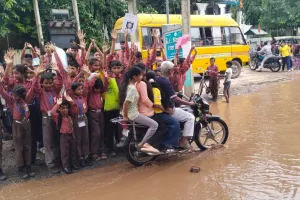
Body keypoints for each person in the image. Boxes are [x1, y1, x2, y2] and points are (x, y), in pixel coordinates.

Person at [0, 79, 37, 179]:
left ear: (21, 95)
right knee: (19, 147)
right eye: (13, 95)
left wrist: (37, 76)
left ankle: (28, 166)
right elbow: (3, 93)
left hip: (26, 123)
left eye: (16, 95)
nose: (13, 97)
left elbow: (32, 89)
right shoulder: (11, 102)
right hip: (17, 125)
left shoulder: (26, 100)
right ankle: (21, 168)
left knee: (27, 145)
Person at [119, 67, 159, 153]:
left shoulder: (129, 86)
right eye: (140, 75)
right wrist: (125, 116)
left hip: (131, 113)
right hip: (133, 114)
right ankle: (143, 144)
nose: (142, 77)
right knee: (154, 125)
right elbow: (126, 103)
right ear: (134, 76)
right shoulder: (132, 88)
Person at [156, 61, 195, 149]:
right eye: (173, 69)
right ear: (170, 71)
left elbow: (169, 93)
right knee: (190, 117)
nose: (174, 71)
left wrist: (176, 94)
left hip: (162, 108)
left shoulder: (157, 79)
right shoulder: (165, 81)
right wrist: (189, 103)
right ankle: (183, 141)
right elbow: (174, 98)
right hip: (167, 109)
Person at [35, 66, 64, 174]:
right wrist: (37, 75)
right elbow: (35, 87)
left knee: (57, 139)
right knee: (48, 141)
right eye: (46, 83)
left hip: (57, 117)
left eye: (50, 82)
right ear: (42, 83)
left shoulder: (55, 90)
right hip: (46, 118)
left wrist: (57, 70)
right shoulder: (41, 92)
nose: (49, 85)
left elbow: (60, 82)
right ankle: (50, 163)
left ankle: (57, 159)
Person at [64, 65, 92, 167]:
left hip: (84, 117)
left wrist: (84, 75)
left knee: (85, 138)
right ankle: (79, 157)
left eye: (81, 88)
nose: (81, 90)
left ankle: (86, 156)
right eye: (78, 89)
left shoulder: (83, 95)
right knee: (78, 139)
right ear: (73, 90)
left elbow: (87, 85)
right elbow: (69, 86)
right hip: (76, 119)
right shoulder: (71, 96)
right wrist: (79, 74)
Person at [51, 97, 77, 174]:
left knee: (72, 150)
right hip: (63, 136)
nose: (65, 110)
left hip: (71, 135)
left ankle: (72, 163)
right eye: (63, 108)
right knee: (64, 152)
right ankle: (65, 166)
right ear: (59, 109)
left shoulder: (69, 116)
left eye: (66, 108)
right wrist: (57, 104)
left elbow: (76, 110)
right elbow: (52, 112)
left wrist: (72, 102)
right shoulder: (58, 117)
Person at [87, 76, 107, 161]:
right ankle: (94, 152)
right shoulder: (90, 92)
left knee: (101, 132)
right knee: (96, 133)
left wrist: (105, 77)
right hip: (92, 113)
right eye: (96, 88)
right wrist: (93, 78)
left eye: (99, 89)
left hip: (100, 113)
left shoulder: (100, 91)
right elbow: (88, 86)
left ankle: (102, 150)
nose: (98, 90)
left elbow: (105, 86)